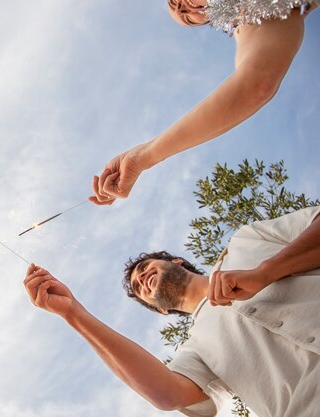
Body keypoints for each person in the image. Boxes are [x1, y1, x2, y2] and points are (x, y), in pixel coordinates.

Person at [24, 206, 320, 416]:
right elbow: (167, 395)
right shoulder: (196, 350)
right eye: (139, 289)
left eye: (143, 268)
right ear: (161, 310)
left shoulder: (247, 240)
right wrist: (74, 313)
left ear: (176, 262)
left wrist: (267, 271)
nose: (140, 278)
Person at [90, 0, 318, 206]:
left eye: (175, 2)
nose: (182, 8)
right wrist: (143, 156)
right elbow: (255, 85)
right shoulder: (252, 19)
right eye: (187, 18)